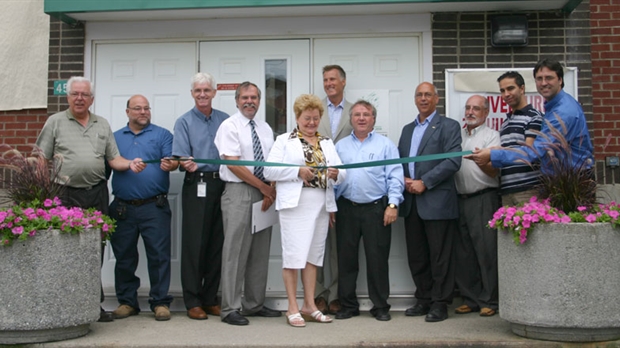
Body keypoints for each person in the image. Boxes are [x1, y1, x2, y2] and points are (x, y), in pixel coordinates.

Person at [36, 76, 146, 322]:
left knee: (94, 249)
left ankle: (91, 307)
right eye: (75, 93)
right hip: (64, 193)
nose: (79, 98)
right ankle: (63, 308)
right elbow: (41, 159)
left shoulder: (102, 124)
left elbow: (113, 160)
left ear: (92, 99)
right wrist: (43, 194)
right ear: (68, 97)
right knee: (63, 250)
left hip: (96, 194)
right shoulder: (55, 122)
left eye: (84, 94)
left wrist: (130, 164)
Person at [264, 94, 346, 327]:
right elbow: (269, 171)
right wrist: (296, 171)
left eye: (315, 118)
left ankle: (309, 305)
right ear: (297, 117)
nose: (311, 123)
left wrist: (336, 174)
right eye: (307, 118)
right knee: (293, 257)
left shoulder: (327, 142)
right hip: (295, 206)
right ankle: (292, 307)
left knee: (313, 257)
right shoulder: (284, 140)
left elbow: (343, 170)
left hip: (321, 205)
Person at [214, 81, 282, 326]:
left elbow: (272, 161)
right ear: (236, 100)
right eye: (245, 97)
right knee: (235, 251)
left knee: (259, 251)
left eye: (254, 97)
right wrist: (263, 187)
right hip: (239, 193)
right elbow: (233, 163)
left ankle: (254, 304)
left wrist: (271, 187)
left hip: (265, 194)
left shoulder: (264, 128)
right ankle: (230, 308)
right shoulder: (229, 126)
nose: (249, 101)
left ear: (259, 100)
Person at [109, 95, 178, 321]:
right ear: (127, 111)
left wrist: (172, 163)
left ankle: (160, 302)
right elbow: (108, 165)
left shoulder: (163, 135)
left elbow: (173, 160)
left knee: (159, 256)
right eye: (137, 108)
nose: (143, 112)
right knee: (125, 257)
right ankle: (127, 302)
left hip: (154, 206)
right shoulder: (115, 137)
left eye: (146, 108)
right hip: (123, 208)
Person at [334, 100, 404, 322]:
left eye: (366, 114)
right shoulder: (340, 146)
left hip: (376, 209)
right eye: (357, 115)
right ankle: (348, 305)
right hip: (346, 208)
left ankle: (381, 306)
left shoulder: (386, 145)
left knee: (377, 260)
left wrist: (393, 205)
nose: (361, 118)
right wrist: (330, 207)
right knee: (346, 261)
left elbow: (395, 176)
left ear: (374, 119)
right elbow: (333, 180)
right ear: (351, 119)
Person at [397, 82, 462, 323]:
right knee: (417, 255)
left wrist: (425, 181)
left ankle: (440, 303)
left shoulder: (449, 126)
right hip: (411, 202)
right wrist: (401, 177)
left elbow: (453, 160)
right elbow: (401, 160)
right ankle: (423, 299)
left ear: (437, 99)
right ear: (415, 99)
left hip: (437, 201)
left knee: (440, 256)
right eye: (419, 95)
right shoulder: (406, 130)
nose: (423, 99)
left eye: (428, 95)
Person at [468, 59, 594, 174]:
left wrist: (493, 154)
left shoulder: (563, 112)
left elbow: (535, 152)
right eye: (539, 79)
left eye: (549, 78)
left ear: (560, 80)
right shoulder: (553, 107)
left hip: (573, 182)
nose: (543, 83)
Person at [172, 72, 229, 320]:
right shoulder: (183, 122)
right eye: (198, 91)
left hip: (223, 185)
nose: (203, 94)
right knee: (195, 244)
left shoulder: (225, 120)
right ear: (192, 93)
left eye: (207, 90)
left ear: (214, 93)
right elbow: (182, 155)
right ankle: (193, 300)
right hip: (198, 184)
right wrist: (185, 162)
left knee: (218, 243)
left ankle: (209, 298)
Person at [453, 95, 501, 317]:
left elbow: (494, 170)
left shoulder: (492, 136)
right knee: (464, 254)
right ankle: (470, 299)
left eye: (476, 108)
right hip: (459, 199)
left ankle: (489, 300)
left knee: (486, 251)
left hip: (483, 198)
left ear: (485, 112)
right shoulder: (459, 136)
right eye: (468, 108)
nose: (470, 112)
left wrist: (482, 160)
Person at [314, 64, 353, 314]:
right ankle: (318, 294)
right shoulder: (315, 110)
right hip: (318, 187)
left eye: (333, 79)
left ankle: (336, 294)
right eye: (326, 80)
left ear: (343, 82)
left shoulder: (354, 110)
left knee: (340, 246)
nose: (329, 83)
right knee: (316, 242)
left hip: (346, 187)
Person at [496, 71, 543, 206]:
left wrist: (494, 153)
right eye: (502, 90)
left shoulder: (534, 117)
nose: (506, 94)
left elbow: (529, 152)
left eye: (510, 88)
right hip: (506, 190)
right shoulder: (505, 123)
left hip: (528, 190)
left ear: (522, 88)